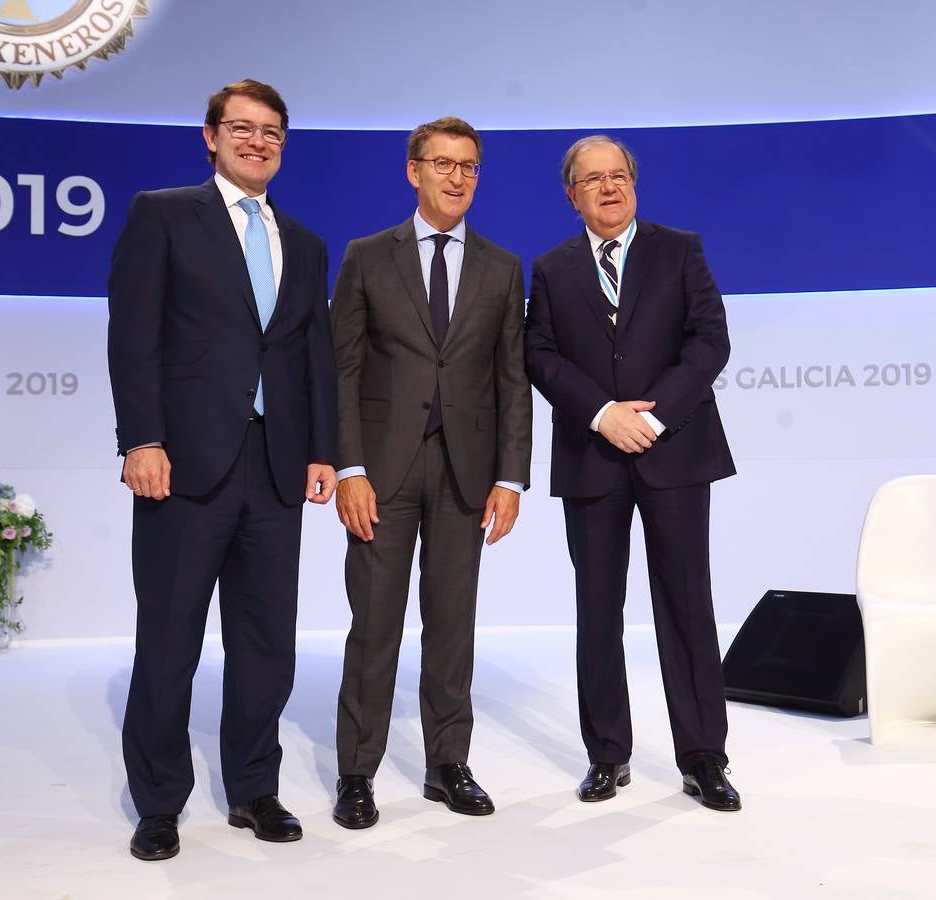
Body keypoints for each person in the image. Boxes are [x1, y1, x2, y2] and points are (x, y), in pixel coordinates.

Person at [107, 79, 338, 861]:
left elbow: (313, 357)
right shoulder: (163, 214)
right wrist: (141, 440)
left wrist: (321, 451)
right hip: (184, 465)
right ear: (210, 136)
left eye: (272, 130)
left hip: (275, 469)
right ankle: (160, 802)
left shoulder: (303, 243)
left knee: (266, 642)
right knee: (169, 638)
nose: (258, 141)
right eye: (241, 128)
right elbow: (132, 336)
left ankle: (252, 788)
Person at [525, 135, 741, 812]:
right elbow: (539, 353)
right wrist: (600, 413)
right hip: (592, 458)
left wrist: (653, 417)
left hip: (673, 452)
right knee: (597, 610)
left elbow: (709, 339)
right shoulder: (552, 268)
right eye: (592, 180)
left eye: (618, 176)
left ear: (634, 185)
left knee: (686, 605)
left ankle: (703, 757)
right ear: (571, 196)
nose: (608, 188)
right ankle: (605, 755)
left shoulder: (680, 250)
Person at [329, 116, 532, 829]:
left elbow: (512, 379)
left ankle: (448, 764)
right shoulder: (365, 256)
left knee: (452, 626)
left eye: (468, 166)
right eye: (442, 164)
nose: (456, 177)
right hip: (380, 473)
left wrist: (510, 479)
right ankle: (357, 773)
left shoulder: (503, 268)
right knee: (374, 626)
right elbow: (343, 370)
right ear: (413, 171)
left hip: (466, 475)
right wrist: (348, 466)